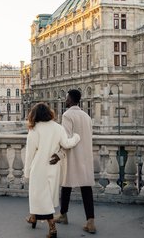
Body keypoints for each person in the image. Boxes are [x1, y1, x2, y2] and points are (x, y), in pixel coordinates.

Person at [24, 102, 81, 238]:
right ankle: (33, 217)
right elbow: (67, 144)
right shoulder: (58, 127)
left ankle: (52, 228)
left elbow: (30, 153)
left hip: (39, 167)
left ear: (35, 114)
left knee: (39, 196)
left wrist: (27, 172)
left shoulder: (34, 129)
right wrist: (77, 137)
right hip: (53, 167)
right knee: (47, 195)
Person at [51, 89, 96, 233]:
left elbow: (66, 139)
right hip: (86, 156)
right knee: (86, 188)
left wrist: (59, 154)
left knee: (66, 185)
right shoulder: (86, 116)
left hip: (72, 156)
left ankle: (63, 215)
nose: (65, 100)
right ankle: (90, 221)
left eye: (66, 98)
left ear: (70, 99)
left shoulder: (67, 115)